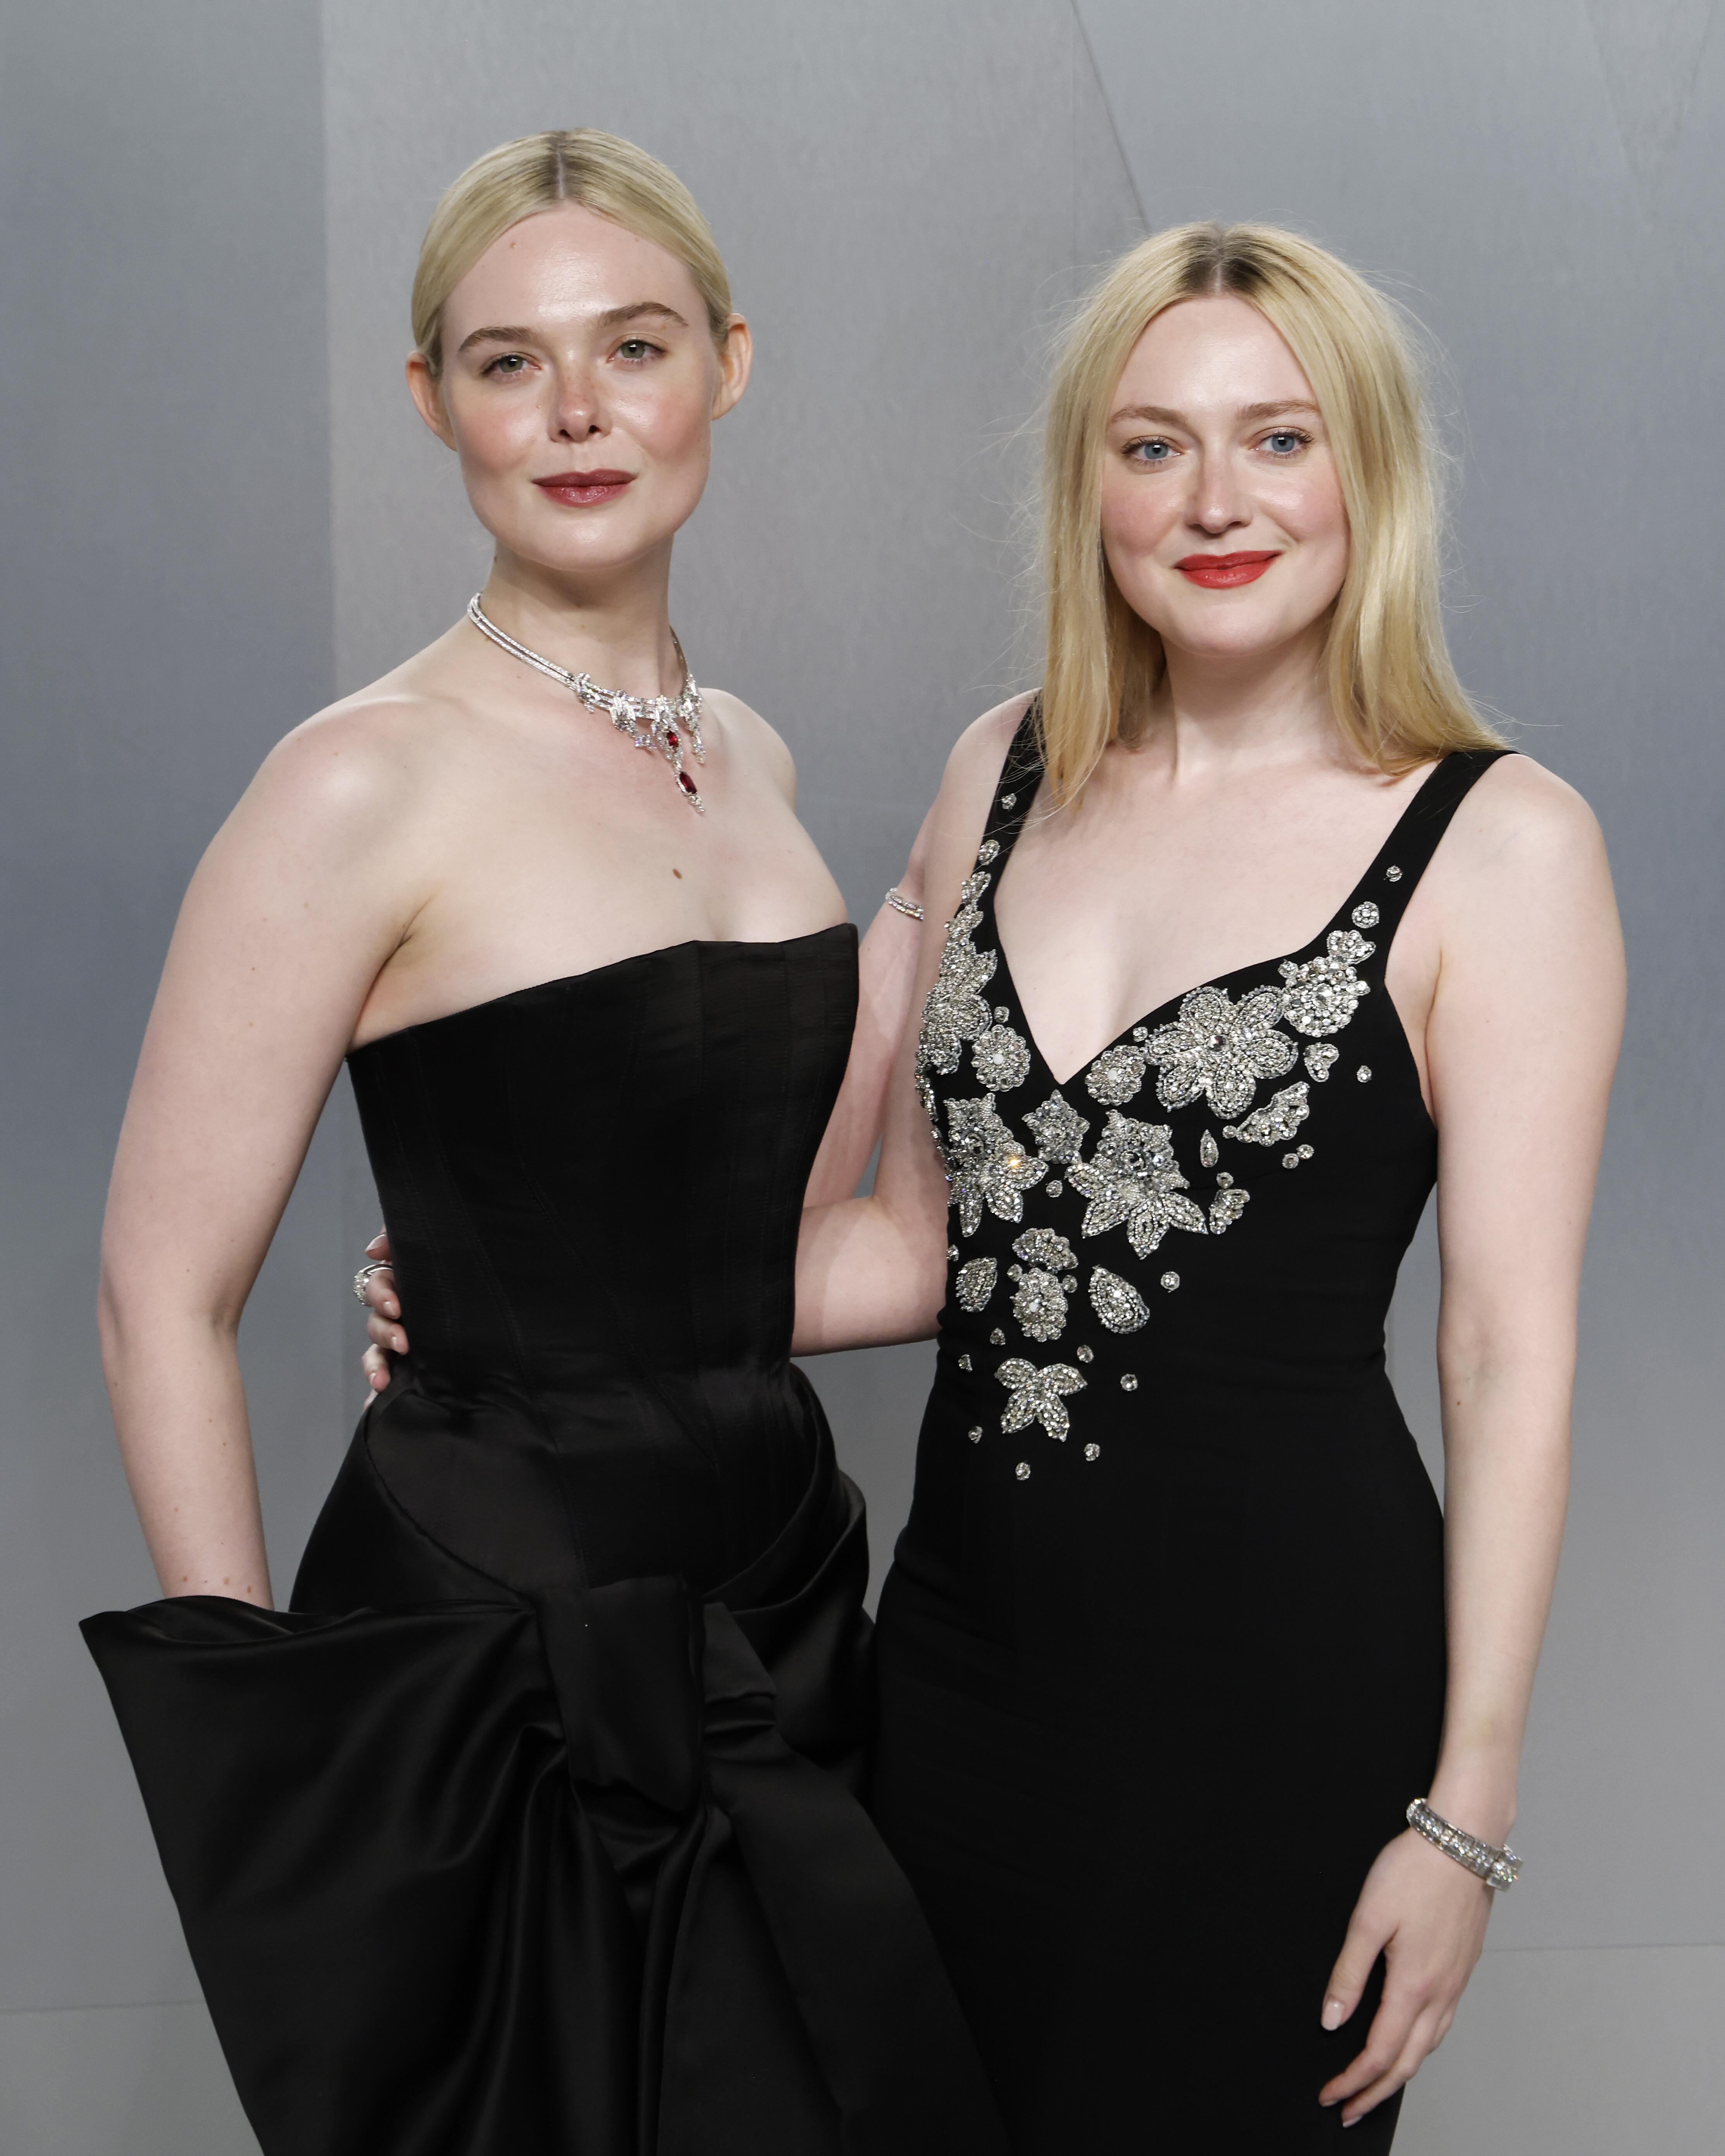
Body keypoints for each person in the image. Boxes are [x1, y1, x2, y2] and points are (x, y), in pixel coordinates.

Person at [360, 224, 1624, 2147]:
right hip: (954, 1676)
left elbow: (1507, 1357)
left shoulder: (1503, 842)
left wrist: (1466, 1811)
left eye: (1280, 440)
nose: (1215, 502)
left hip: (1286, 1689)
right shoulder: (1006, 766)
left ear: (1369, 468)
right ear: (1088, 485)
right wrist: (538, 1300)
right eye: (1153, 446)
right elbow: (900, 1246)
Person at [84, 129, 1003, 2156]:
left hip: (781, 1602)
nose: (580, 410)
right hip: (492, 1652)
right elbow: (160, 1292)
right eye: (511, 362)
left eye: (634, 345)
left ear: (727, 365)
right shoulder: (354, 782)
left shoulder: (749, 751)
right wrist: (279, 1745)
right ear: (434, 400)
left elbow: (753, 1240)